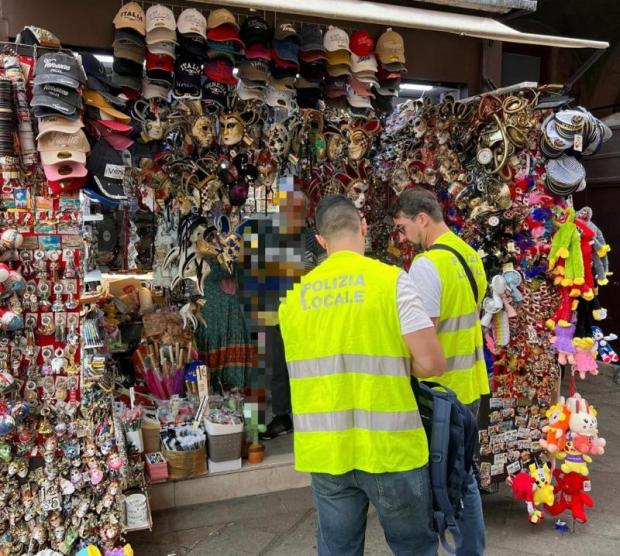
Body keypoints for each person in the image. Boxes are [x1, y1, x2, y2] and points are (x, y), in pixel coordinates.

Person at [279, 195, 445, 556]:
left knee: (338, 550)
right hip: (390, 449)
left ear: (321, 241)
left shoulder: (293, 299)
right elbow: (432, 364)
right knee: (414, 549)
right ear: (364, 227)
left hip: (326, 452)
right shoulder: (392, 283)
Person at [392, 188, 489, 556]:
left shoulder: (427, 265)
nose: (402, 237)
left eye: (402, 227)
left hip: (440, 394)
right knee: (464, 477)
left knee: (449, 484)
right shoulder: (468, 254)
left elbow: (424, 334)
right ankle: (471, 550)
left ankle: (463, 550)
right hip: (472, 385)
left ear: (421, 219)